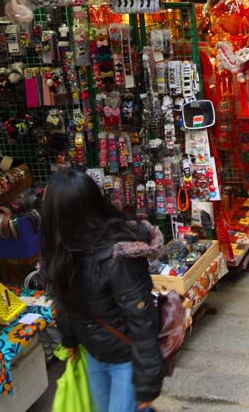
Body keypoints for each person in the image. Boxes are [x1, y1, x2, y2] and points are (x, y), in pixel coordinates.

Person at [42, 169, 164, 411]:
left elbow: (142, 318)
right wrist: (70, 338)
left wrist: (147, 384)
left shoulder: (117, 255)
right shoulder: (63, 250)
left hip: (126, 359)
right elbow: (65, 299)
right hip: (94, 354)